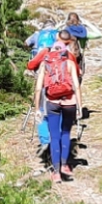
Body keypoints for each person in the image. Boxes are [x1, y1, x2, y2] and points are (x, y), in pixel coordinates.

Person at [29, 30, 82, 181]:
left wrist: (37, 108)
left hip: (52, 102)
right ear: (65, 50)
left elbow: (38, 87)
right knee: (65, 133)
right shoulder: (70, 61)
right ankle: (65, 164)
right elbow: (77, 86)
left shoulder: (45, 63)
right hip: (69, 102)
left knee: (54, 136)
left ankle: (56, 172)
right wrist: (79, 106)